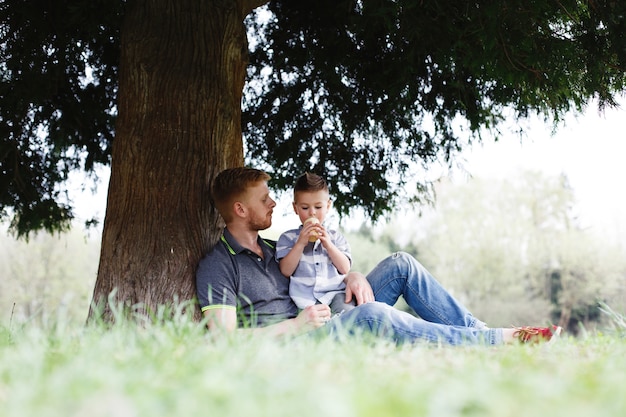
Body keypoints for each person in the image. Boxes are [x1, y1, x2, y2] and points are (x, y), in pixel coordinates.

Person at [195, 167, 562, 345]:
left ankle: (475, 329)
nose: (273, 203)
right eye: (264, 199)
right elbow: (223, 341)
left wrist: (351, 276)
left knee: (399, 264)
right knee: (371, 315)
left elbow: (319, 271)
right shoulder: (218, 265)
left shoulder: (276, 248)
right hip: (300, 342)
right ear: (241, 210)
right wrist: (296, 325)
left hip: (326, 315)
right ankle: (501, 341)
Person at [276, 172, 356, 315]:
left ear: (328, 206)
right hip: (303, 301)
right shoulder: (288, 238)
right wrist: (300, 243)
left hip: (335, 295)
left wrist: (329, 245)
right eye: (305, 208)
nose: (312, 213)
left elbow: (345, 268)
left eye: (318, 207)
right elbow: (285, 270)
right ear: (295, 208)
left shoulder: (335, 237)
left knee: (349, 314)